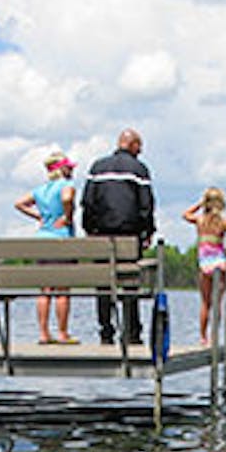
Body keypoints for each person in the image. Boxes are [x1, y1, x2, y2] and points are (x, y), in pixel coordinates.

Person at [81, 128, 154, 345]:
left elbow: (88, 202)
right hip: (129, 236)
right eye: (139, 146)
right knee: (130, 282)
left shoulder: (97, 168)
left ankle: (106, 330)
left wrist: (90, 229)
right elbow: (146, 205)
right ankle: (131, 331)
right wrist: (147, 232)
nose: (140, 151)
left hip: (100, 236)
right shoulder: (139, 170)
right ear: (131, 145)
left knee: (103, 283)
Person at [14, 149, 78, 344]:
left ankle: (43, 334)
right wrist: (67, 216)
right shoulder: (66, 185)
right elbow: (67, 198)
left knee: (44, 289)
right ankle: (62, 333)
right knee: (62, 290)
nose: (71, 171)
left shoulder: (40, 190)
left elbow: (19, 203)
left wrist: (39, 217)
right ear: (61, 169)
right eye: (68, 167)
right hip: (61, 240)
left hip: (41, 240)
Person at [182, 187, 226, 345]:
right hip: (219, 263)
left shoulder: (200, 220)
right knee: (217, 303)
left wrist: (200, 204)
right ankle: (215, 336)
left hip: (205, 264)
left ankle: (203, 337)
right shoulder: (224, 222)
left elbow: (185, 215)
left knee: (205, 303)